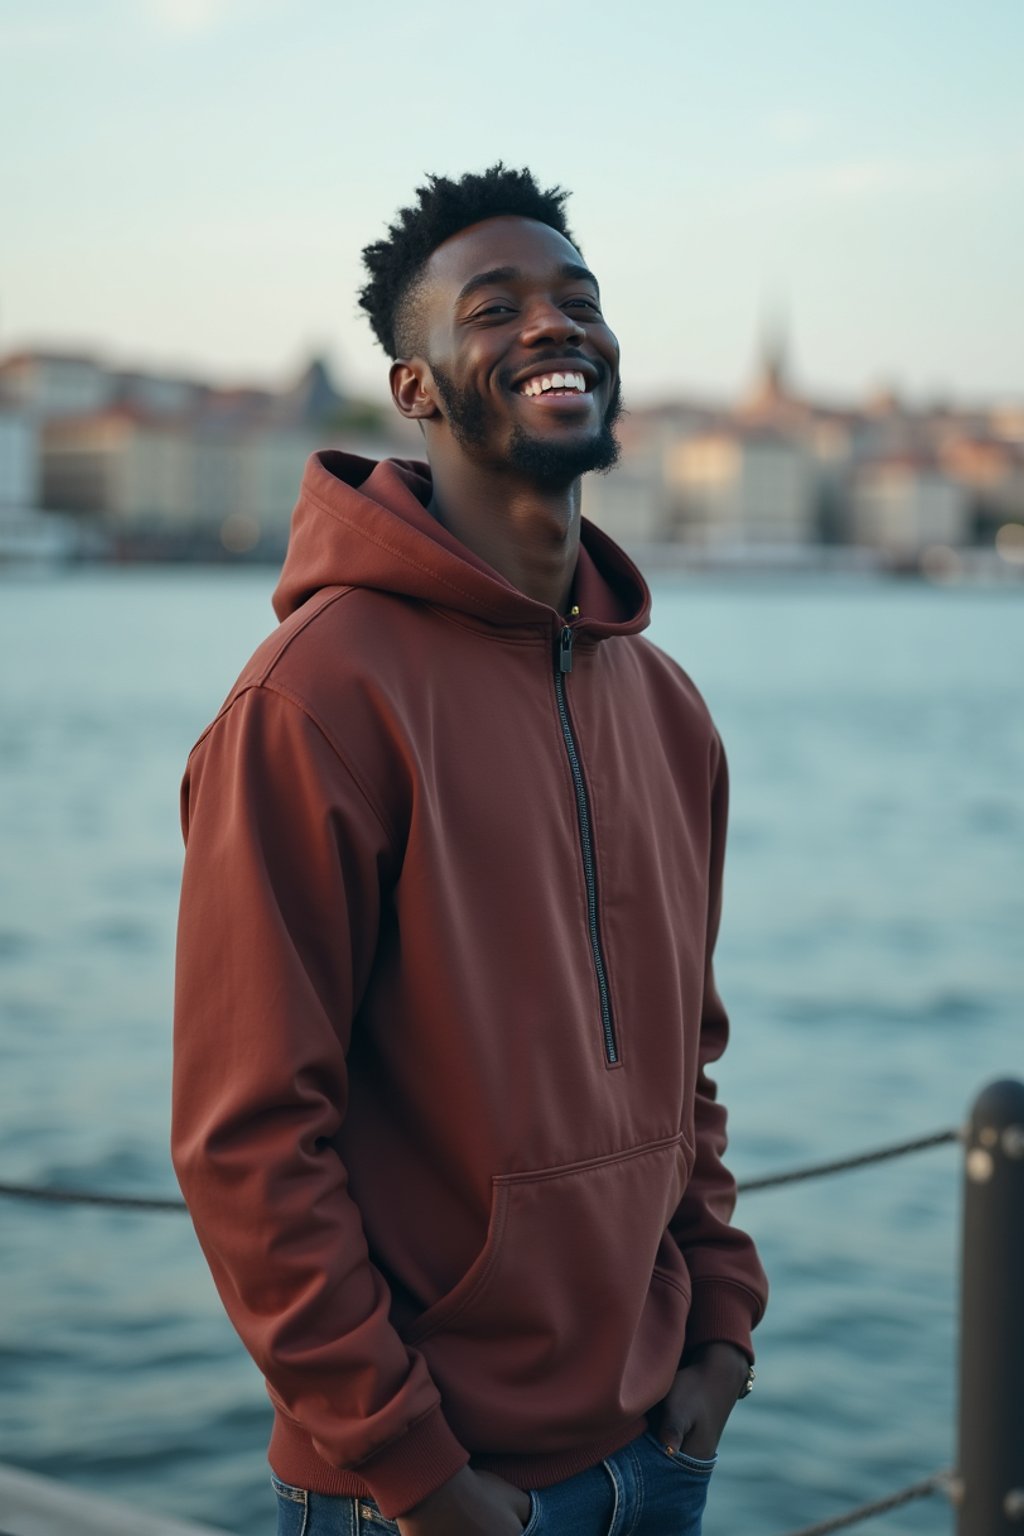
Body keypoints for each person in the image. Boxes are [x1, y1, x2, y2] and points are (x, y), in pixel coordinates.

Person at [172, 164, 768, 1536]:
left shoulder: (668, 707)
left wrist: (722, 1331)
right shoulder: (313, 701)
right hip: (426, 1496)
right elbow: (250, 1140)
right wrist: (419, 1471)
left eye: (578, 299)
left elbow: (688, 1067)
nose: (555, 327)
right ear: (416, 388)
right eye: (494, 308)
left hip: (659, 1439)